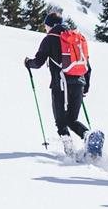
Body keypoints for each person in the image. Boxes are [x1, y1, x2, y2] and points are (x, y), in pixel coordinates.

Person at [24, 9, 91, 154]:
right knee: (72, 119)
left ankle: (70, 152)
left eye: (46, 26)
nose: (45, 29)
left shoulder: (50, 38)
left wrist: (28, 63)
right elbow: (87, 65)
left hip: (60, 84)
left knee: (60, 121)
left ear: (50, 25)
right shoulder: (76, 37)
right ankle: (88, 136)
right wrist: (85, 87)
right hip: (79, 82)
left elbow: (39, 62)